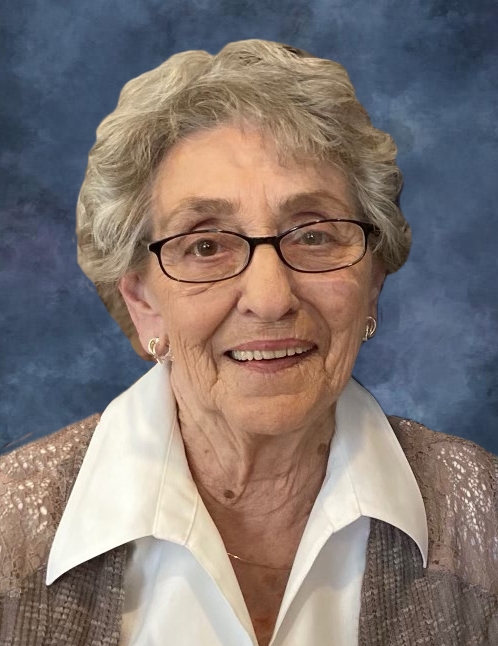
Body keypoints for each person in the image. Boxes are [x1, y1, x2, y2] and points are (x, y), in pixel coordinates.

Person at [0, 39, 496, 646]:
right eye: (206, 245)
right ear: (142, 301)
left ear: (372, 281)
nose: (270, 297)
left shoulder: (485, 518)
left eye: (314, 236)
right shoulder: (10, 532)